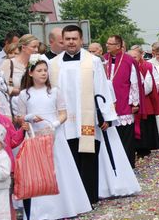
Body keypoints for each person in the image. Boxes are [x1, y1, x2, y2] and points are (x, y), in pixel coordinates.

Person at [48, 25, 116, 206]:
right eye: (67, 39)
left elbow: (102, 88)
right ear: (62, 41)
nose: (71, 42)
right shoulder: (53, 64)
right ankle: (72, 200)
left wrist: (105, 116)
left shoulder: (92, 61)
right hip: (64, 122)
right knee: (68, 159)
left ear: (81, 40)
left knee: (88, 158)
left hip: (88, 119)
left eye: (74, 38)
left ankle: (89, 197)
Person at [18, 56, 92, 220]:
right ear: (31, 73)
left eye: (45, 70)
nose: (43, 73)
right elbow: (19, 117)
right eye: (39, 71)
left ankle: (66, 205)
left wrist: (54, 124)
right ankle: (41, 210)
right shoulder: (25, 94)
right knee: (40, 170)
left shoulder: (54, 91)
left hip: (54, 134)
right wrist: (29, 117)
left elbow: (63, 113)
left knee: (59, 168)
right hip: (35, 136)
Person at [103, 35, 140, 168]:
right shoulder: (103, 59)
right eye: (107, 43)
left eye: (110, 43)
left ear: (118, 46)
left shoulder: (128, 60)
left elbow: (134, 82)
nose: (107, 45)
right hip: (107, 103)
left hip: (123, 103)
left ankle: (127, 166)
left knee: (125, 138)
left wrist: (135, 103)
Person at [128, 46, 159, 158]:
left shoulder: (147, 66)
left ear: (140, 56)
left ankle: (145, 147)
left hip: (145, 98)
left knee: (145, 125)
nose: (133, 59)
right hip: (129, 100)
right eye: (130, 57)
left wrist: (139, 95)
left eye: (135, 57)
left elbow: (153, 83)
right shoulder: (126, 66)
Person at [1, 34, 40, 99]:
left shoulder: (36, 63)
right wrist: (18, 91)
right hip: (14, 105)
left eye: (37, 47)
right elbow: (0, 85)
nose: (37, 50)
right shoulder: (9, 63)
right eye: (34, 47)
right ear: (23, 47)